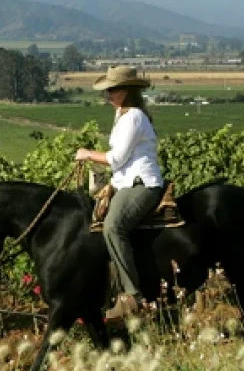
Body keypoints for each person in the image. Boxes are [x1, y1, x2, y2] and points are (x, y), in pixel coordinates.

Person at [74, 65, 174, 319]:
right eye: (107, 89)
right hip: (127, 182)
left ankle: (132, 296)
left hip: (142, 185)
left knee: (112, 227)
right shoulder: (123, 114)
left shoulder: (133, 118)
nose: (108, 94)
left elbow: (117, 158)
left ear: (127, 91)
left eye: (113, 89)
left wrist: (87, 154)